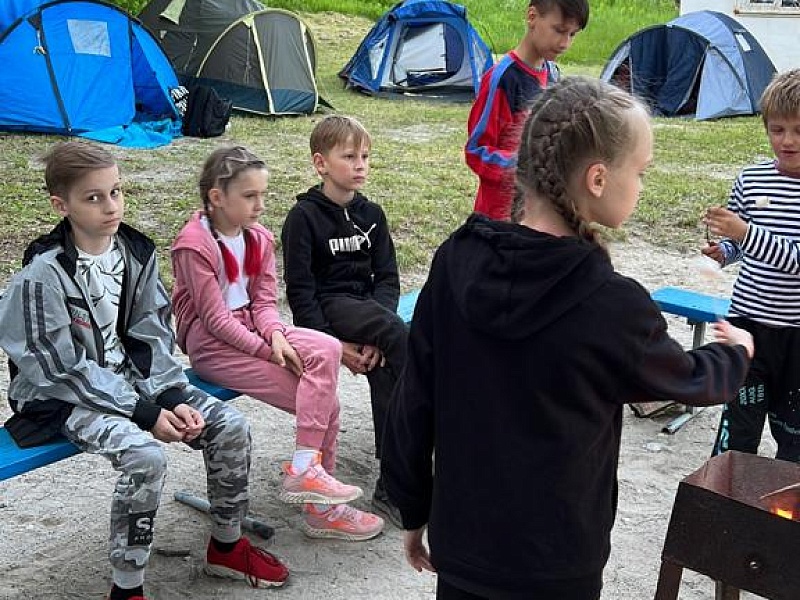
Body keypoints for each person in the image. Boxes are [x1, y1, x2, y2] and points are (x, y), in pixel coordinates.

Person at [382, 77, 754, 600]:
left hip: (463, 544)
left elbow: (413, 398)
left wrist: (414, 506)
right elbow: (688, 378)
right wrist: (735, 352)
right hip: (556, 561)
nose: (641, 185)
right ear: (598, 178)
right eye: (640, 172)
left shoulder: (454, 261)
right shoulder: (611, 302)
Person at [0, 141, 289, 600]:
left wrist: (170, 396)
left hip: (135, 384)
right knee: (145, 456)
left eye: (115, 192)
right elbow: (59, 369)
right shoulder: (42, 276)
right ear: (61, 205)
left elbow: (152, 333)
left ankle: (227, 546)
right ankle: (127, 588)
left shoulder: (135, 252)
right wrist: (145, 413)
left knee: (230, 426)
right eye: (93, 197)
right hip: (64, 398)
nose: (111, 206)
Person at [171, 145, 384, 542]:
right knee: (327, 406)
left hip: (254, 330)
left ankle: (305, 468)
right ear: (217, 197)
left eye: (263, 194)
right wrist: (269, 350)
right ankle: (322, 509)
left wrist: (274, 334)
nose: (260, 205)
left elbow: (265, 304)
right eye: (250, 196)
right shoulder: (194, 245)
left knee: (327, 347)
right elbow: (215, 321)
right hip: (213, 346)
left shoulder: (259, 238)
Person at [280, 115, 408, 527]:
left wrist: (376, 333)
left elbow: (387, 279)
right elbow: (302, 294)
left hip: (369, 309)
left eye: (365, 156)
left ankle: (392, 484)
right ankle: (427, 438)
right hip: (331, 306)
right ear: (321, 163)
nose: (360, 165)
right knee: (399, 336)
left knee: (387, 362)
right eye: (349, 156)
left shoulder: (373, 215)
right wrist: (333, 345)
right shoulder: (303, 218)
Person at [704, 68, 800, 463]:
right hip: (748, 327)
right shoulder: (751, 179)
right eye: (777, 130)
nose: (787, 141)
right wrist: (724, 251)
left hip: (796, 337)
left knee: (794, 438)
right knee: (738, 430)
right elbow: (741, 246)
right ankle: (726, 495)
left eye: (798, 130)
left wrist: (744, 233)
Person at [465, 0, 589, 221]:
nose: (565, 43)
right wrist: (525, 166)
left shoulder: (552, 75)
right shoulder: (502, 79)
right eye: (559, 30)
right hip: (498, 217)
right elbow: (476, 151)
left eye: (572, 34)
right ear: (532, 17)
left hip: (537, 214)